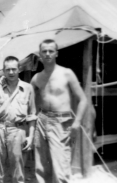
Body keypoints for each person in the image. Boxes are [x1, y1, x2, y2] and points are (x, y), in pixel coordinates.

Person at [30, 39, 87, 183]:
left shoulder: (66, 73)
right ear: (40, 55)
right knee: (42, 167)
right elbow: (26, 97)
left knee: (61, 167)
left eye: (51, 51)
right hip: (41, 121)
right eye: (44, 51)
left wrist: (77, 122)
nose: (47, 54)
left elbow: (83, 99)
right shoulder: (37, 78)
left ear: (57, 53)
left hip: (61, 123)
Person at [0, 56, 37, 183]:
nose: (11, 72)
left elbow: (32, 115)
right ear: (3, 71)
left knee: (18, 169)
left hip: (18, 130)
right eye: (8, 70)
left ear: (19, 69)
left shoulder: (27, 88)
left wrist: (30, 137)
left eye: (14, 69)